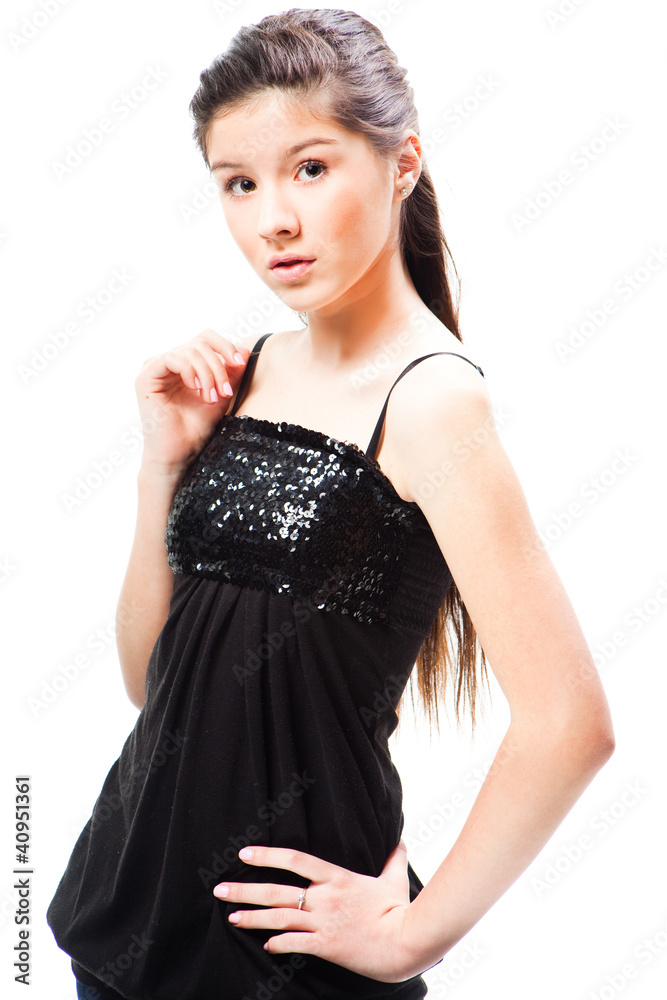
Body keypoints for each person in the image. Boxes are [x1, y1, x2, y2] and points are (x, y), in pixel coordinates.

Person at [46, 8, 615, 999]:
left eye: (309, 168)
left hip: (284, 961)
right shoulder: (249, 371)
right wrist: (160, 467)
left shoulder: (431, 402)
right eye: (239, 183)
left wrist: (408, 939)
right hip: (119, 921)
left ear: (401, 164)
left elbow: (570, 723)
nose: (273, 217)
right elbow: (150, 683)